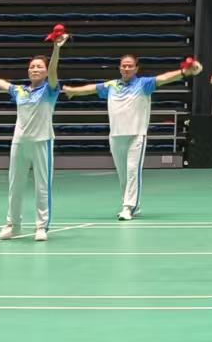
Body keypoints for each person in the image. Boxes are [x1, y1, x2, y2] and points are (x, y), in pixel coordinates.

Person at [62, 54, 204, 220]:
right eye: (124, 65)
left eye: (130, 65)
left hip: (136, 135)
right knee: (123, 175)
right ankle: (133, 206)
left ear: (136, 68)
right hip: (116, 136)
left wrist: (184, 72)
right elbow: (92, 88)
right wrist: (72, 91)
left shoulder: (143, 84)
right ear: (120, 68)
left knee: (132, 171)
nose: (127, 68)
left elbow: (164, 78)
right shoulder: (112, 85)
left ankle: (128, 207)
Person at [0, 32, 69, 242]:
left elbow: (54, 71)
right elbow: (2, 83)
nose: (35, 69)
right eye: (32, 66)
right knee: (15, 185)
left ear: (45, 71)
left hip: (42, 142)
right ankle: (13, 225)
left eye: (39, 67)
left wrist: (56, 48)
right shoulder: (20, 91)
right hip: (19, 142)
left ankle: (41, 226)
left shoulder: (50, 90)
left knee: (42, 186)